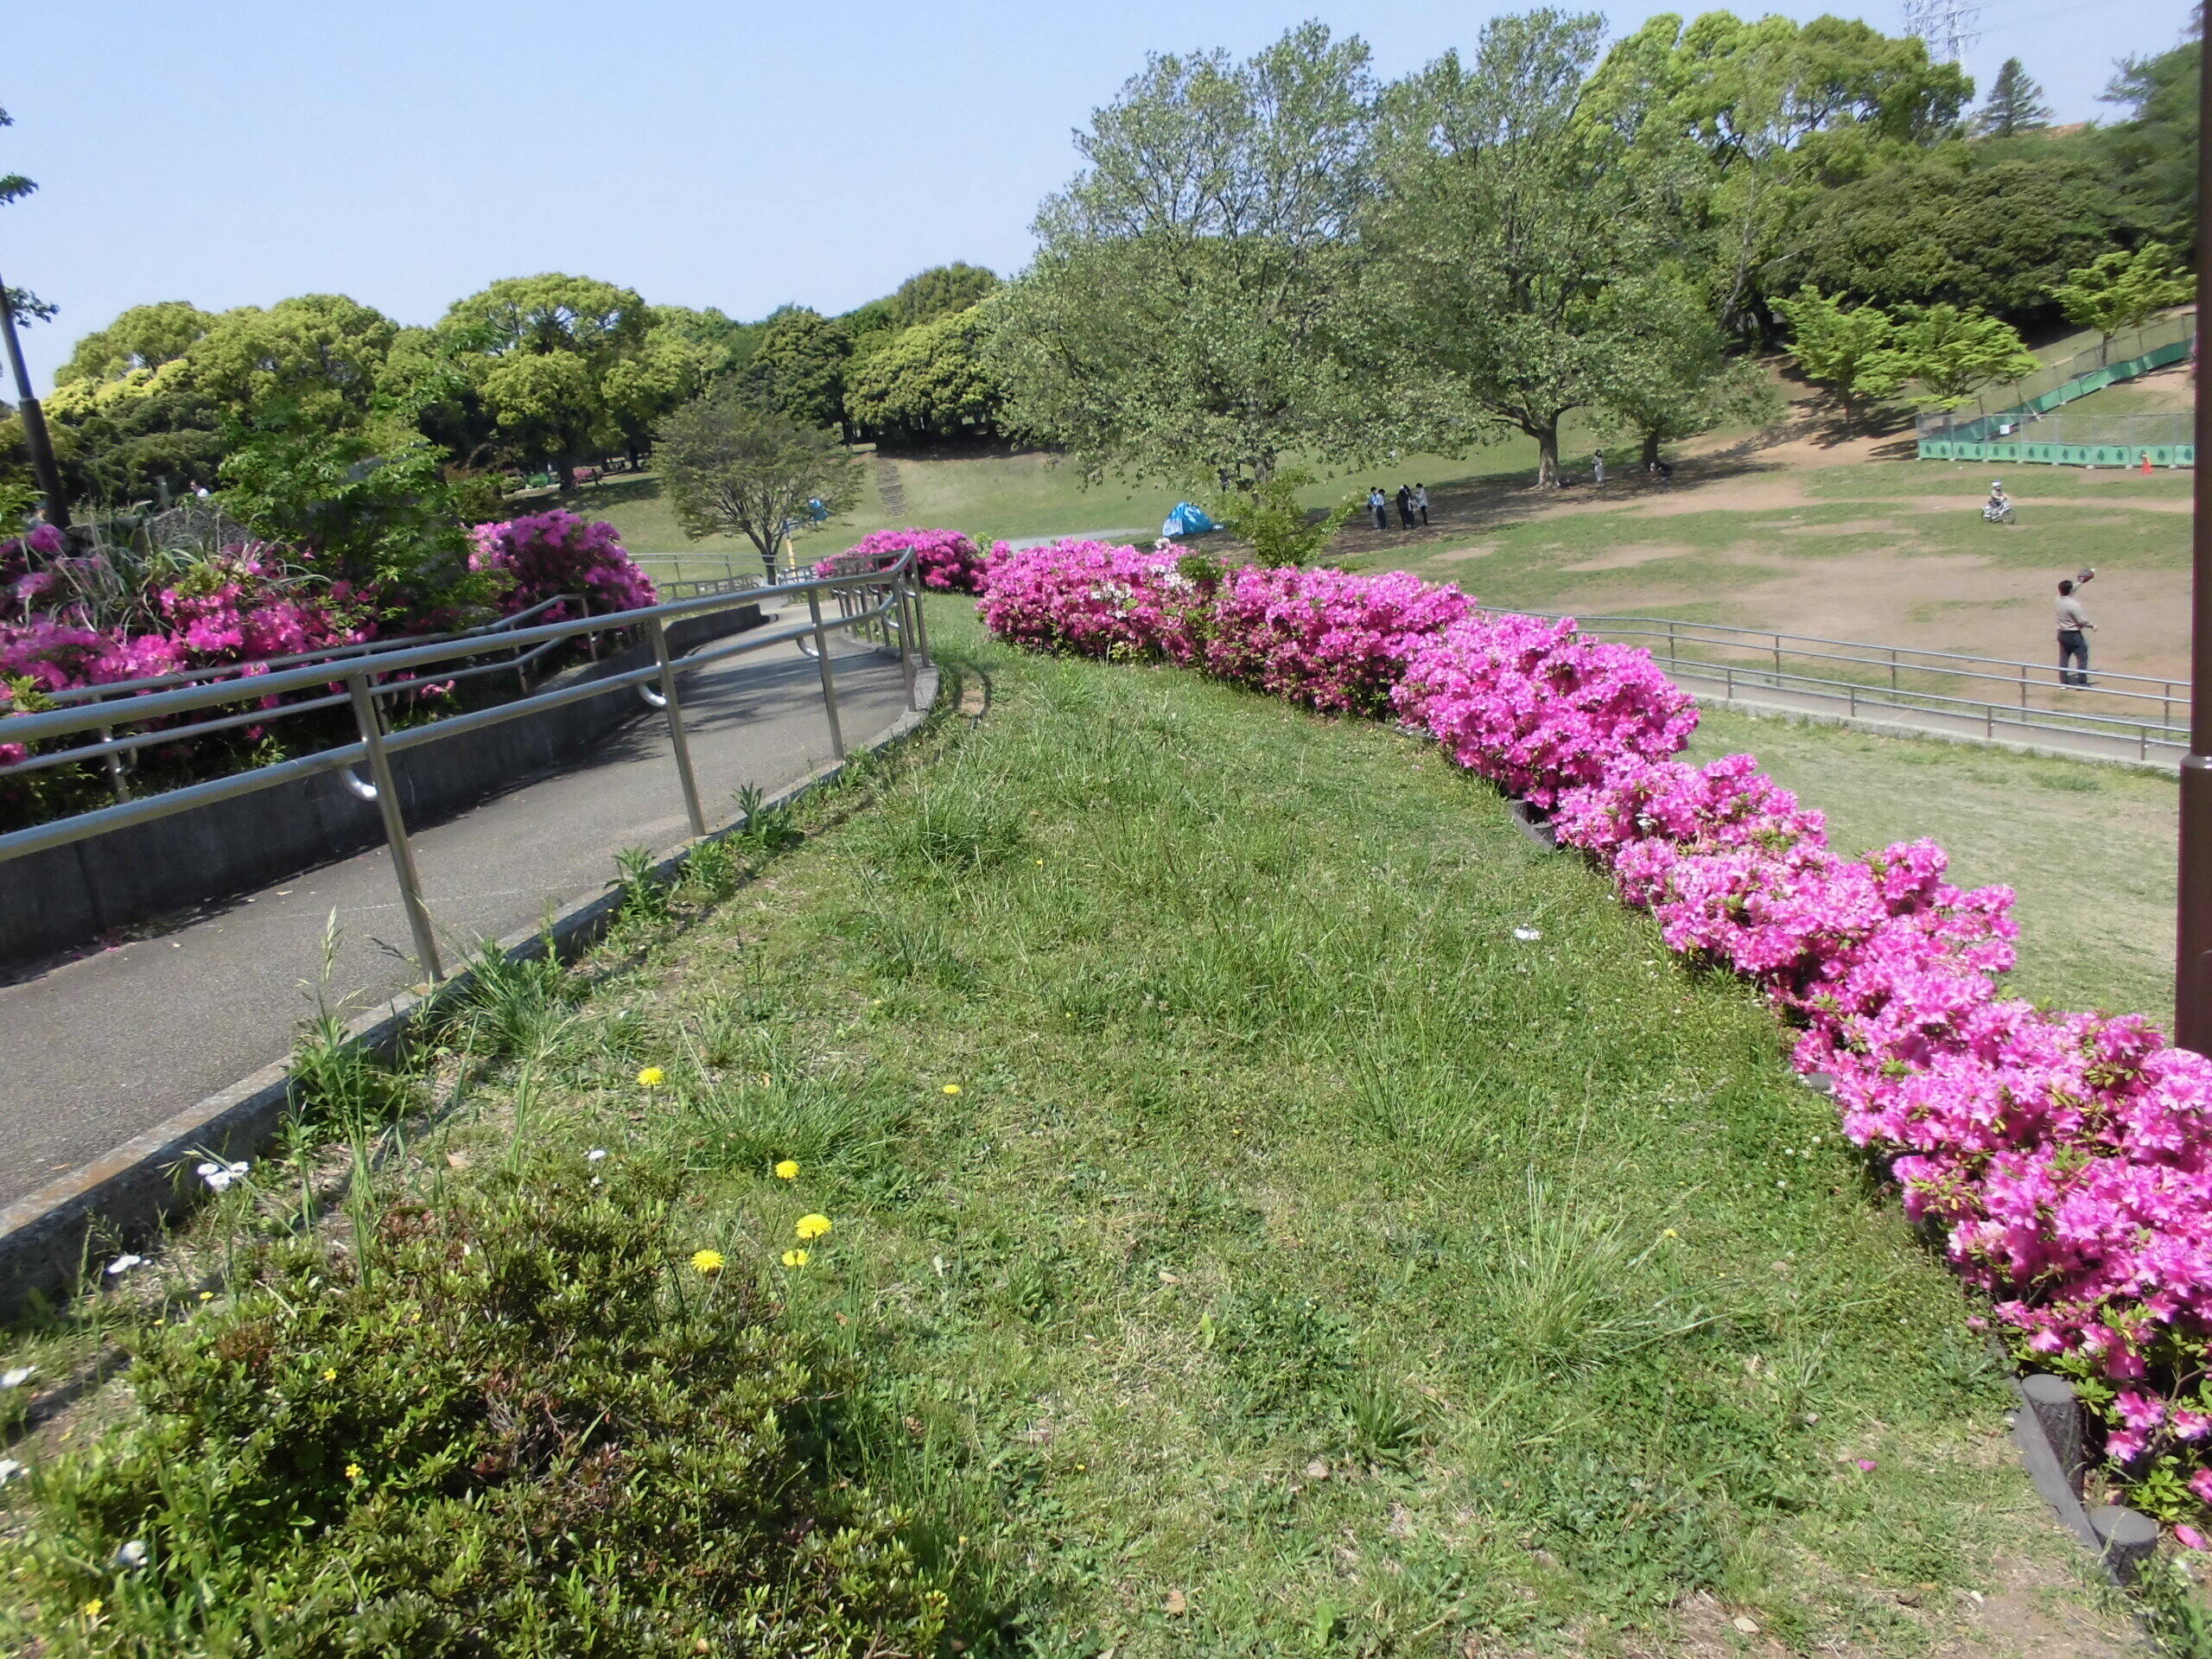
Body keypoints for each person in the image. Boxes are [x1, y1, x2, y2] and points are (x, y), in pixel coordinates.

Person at [2056, 578, 2095, 688]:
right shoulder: (2073, 605)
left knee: (2064, 657)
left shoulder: (2058, 599)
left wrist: (2080, 582)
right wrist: (2092, 625)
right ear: (2070, 590)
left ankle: (2063, 682)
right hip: (2073, 635)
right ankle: (2081, 683)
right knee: (2082, 656)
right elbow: (2082, 621)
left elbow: (2070, 591)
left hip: (2061, 634)